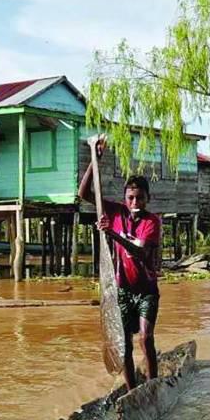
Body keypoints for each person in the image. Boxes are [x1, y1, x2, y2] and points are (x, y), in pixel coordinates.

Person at [78, 137, 162, 389]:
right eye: (130, 198)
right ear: (125, 198)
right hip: (122, 289)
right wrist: (96, 160)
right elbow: (83, 193)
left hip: (146, 290)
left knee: (145, 339)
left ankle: (153, 386)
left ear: (147, 198)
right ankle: (131, 389)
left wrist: (112, 234)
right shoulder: (115, 212)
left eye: (139, 198)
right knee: (123, 341)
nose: (135, 203)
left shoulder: (151, 222)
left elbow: (140, 253)